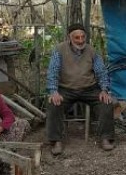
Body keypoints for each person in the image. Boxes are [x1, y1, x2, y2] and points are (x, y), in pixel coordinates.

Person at [46, 23, 115, 155]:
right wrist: (54, 91)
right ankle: (56, 141)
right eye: (77, 37)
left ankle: (105, 138)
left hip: (89, 88)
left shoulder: (91, 51)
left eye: (83, 37)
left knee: (106, 102)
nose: (80, 40)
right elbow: (52, 72)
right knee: (53, 103)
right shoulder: (59, 50)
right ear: (69, 38)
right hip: (66, 88)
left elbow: (101, 72)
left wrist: (104, 90)